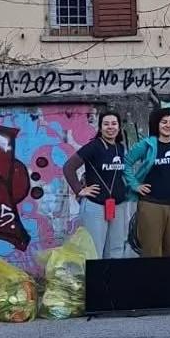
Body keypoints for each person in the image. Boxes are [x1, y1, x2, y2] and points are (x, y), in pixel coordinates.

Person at [124, 108, 170, 259]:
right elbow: (126, 163)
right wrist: (135, 185)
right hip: (151, 204)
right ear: (157, 124)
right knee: (151, 249)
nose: (168, 125)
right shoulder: (147, 144)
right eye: (164, 122)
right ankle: (150, 283)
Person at [62, 110, 132, 259]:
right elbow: (68, 167)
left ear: (119, 127)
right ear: (100, 128)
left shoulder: (120, 147)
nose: (110, 127)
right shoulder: (93, 146)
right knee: (94, 251)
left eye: (114, 124)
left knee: (116, 249)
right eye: (106, 124)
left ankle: (111, 282)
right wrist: (79, 190)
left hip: (117, 205)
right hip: (95, 206)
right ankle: (95, 282)